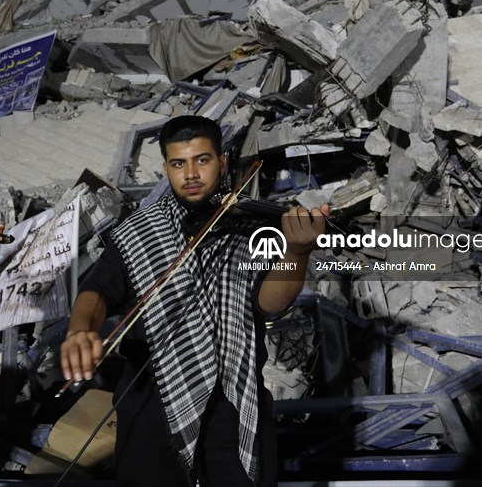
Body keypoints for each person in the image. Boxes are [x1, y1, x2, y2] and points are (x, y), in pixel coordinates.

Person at [60, 115, 328, 487]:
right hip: (152, 403)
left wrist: (297, 253)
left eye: (202, 160)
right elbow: (98, 290)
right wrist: (79, 330)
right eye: (178, 163)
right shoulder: (139, 232)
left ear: (221, 161)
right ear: (166, 168)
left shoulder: (252, 227)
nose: (191, 174)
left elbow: (270, 304)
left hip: (233, 398)